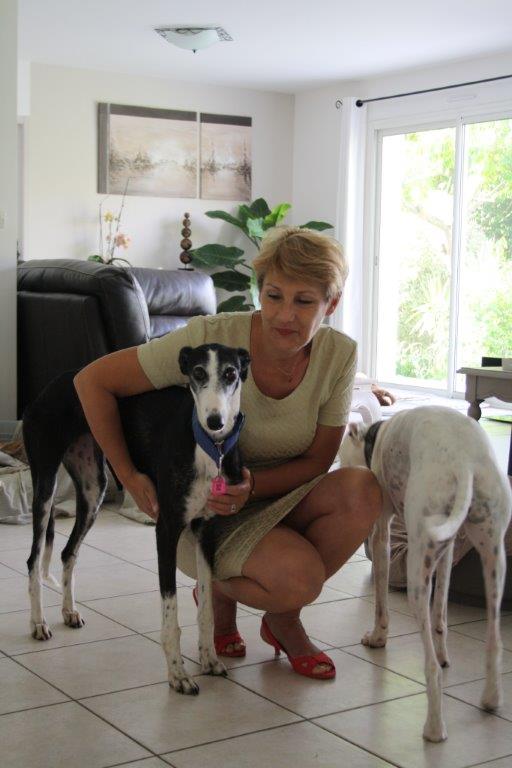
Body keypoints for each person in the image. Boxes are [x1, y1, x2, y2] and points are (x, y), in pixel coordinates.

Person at [74, 226, 382, 679]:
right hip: (206, 513)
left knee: (362, 488)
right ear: (259, 291)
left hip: (277, 495)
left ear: (330, 304)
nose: (285, 315)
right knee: (300, 577)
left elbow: (319, 461)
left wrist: (251, 487)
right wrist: (128, 475)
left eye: (304, 301)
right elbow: (92, 382)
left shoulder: (338, 355)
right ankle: (222, 591)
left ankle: (281, 617)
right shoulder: (211, 340)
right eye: (274, 296)